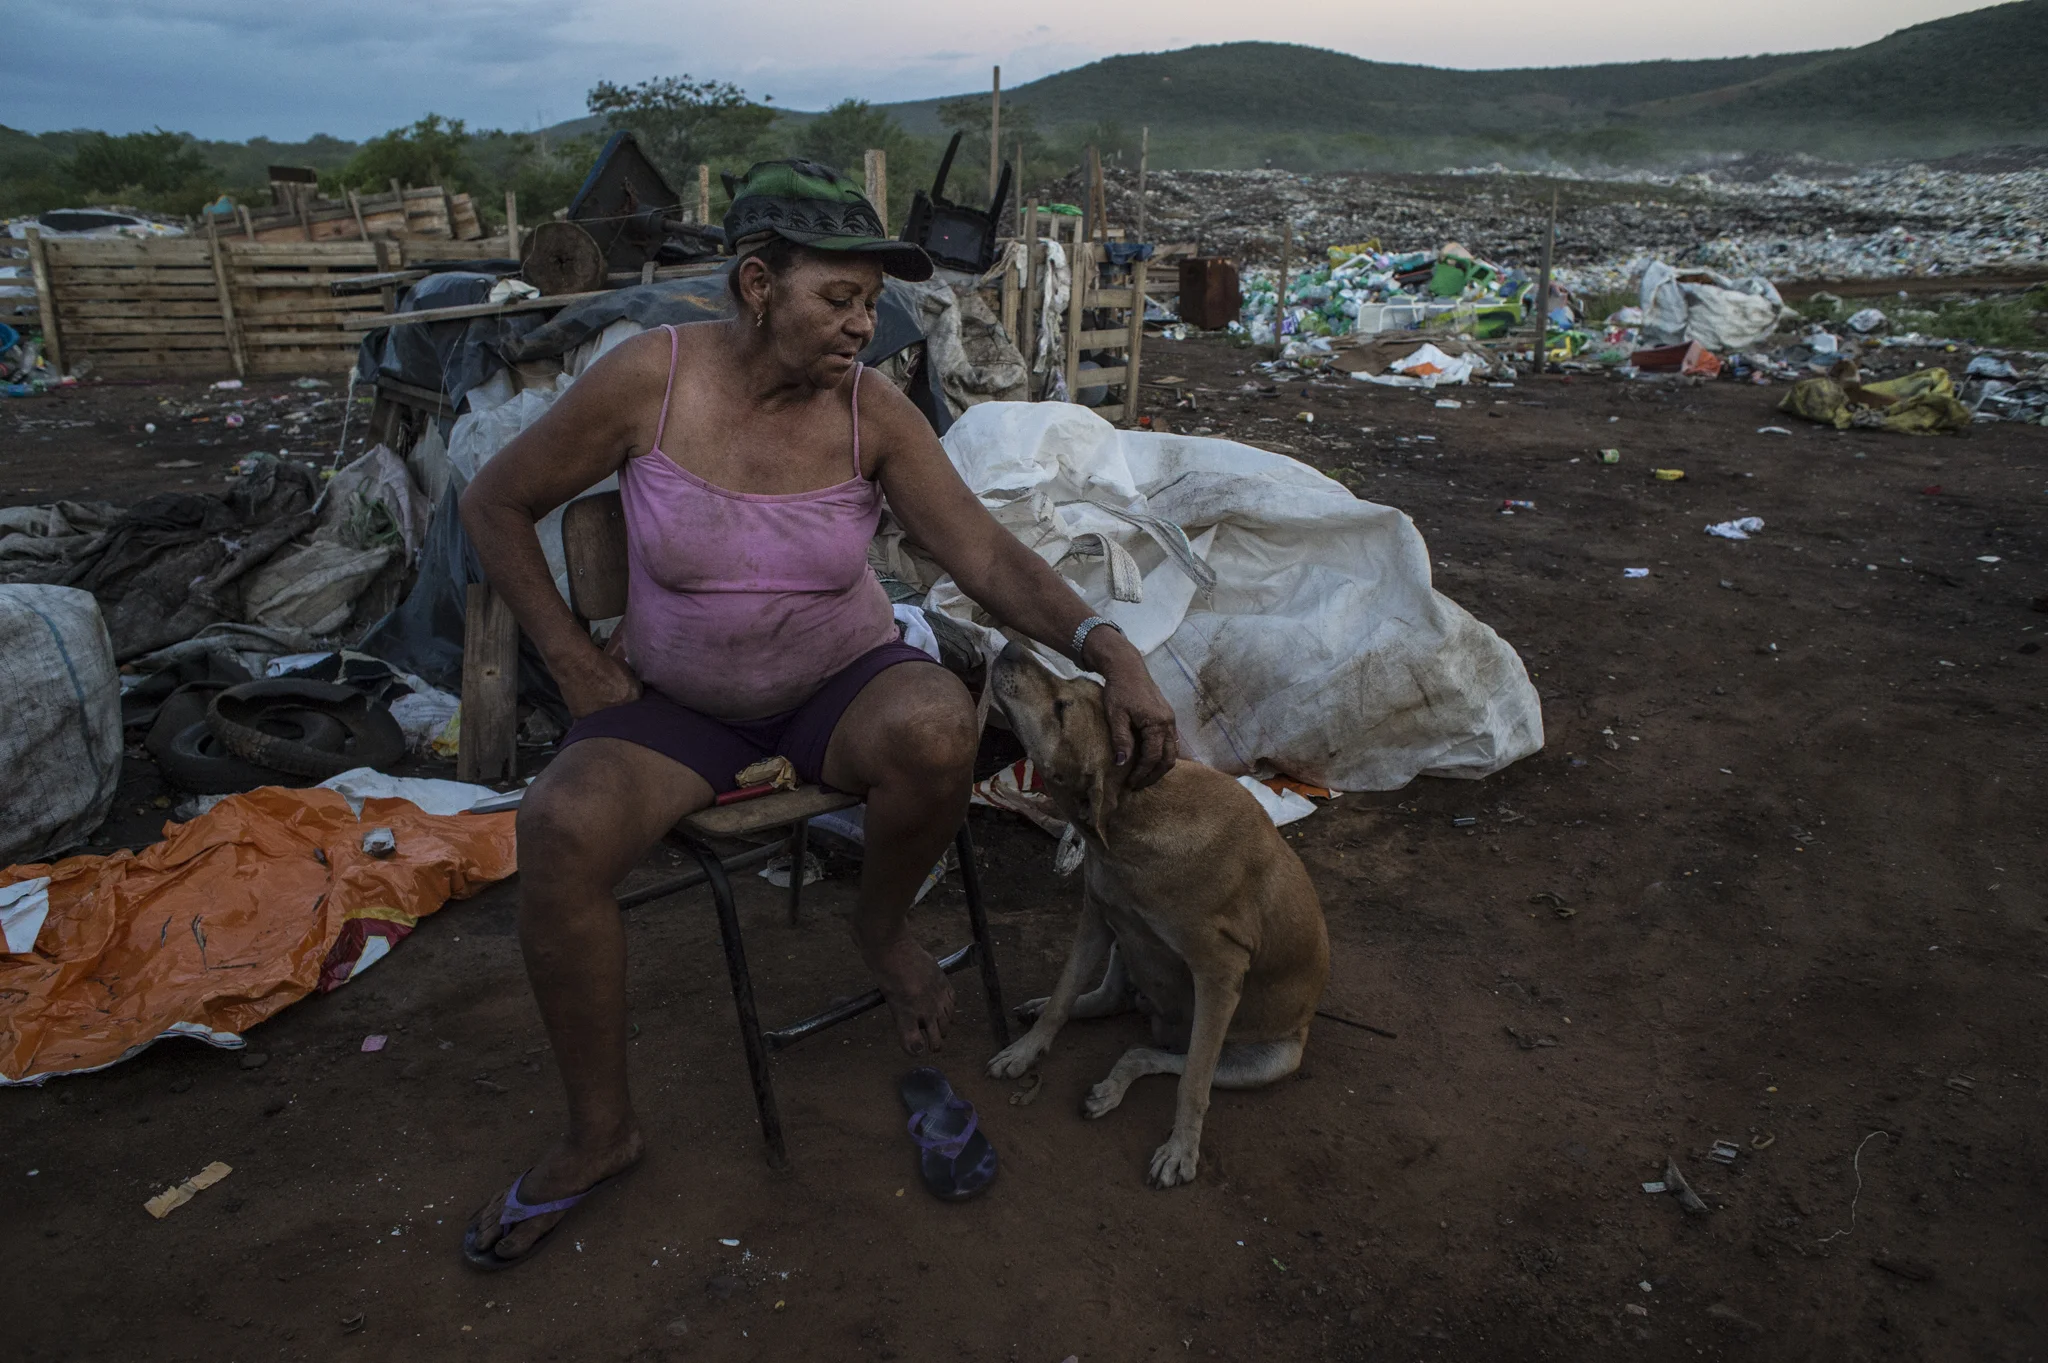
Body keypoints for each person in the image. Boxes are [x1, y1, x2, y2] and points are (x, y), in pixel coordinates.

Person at [457, 160, 1180, 1268]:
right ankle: (599, 1133)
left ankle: (880, 927)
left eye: (868, 302)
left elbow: (980, 551)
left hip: (835, 689)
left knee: (940, 724)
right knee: (558, 828)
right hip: (676, 709)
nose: (864, 322)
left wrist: (1108, 645)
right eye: (838, 298)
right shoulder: (645, 382)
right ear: (756, 283)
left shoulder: (870, 409)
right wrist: (570, 659)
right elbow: (494, 501)